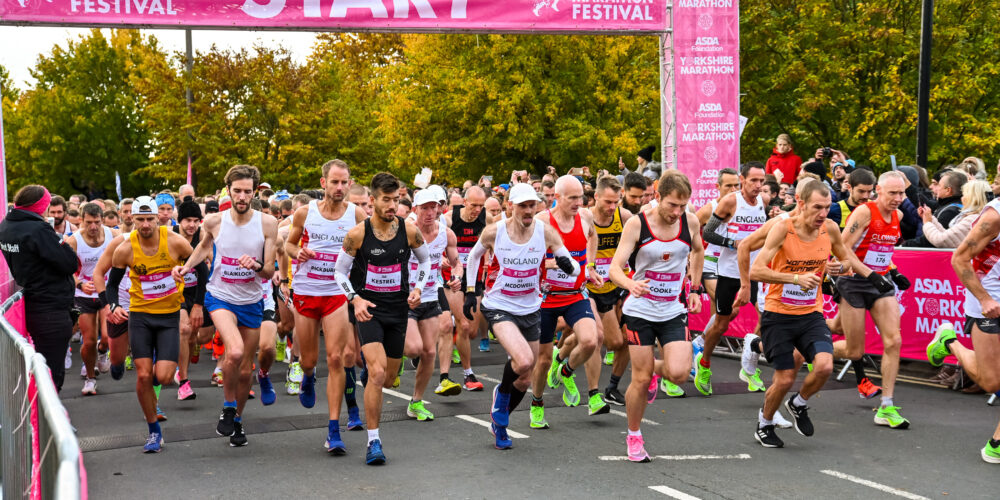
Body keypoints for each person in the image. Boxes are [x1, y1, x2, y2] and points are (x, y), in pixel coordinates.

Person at [750, 180, 892, 448]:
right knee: (784, 379)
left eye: (827, 207)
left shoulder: (829, 228)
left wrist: (839, 268)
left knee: (825, 365)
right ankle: (764, 423)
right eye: (817, 207)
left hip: (810, 314)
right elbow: (756, 270)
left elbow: (845, 258)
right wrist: (794, 278)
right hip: (778, 313)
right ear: (801, 204)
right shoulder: (783, 228)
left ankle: (799, 403)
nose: (823, 214)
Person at [463, 183, 581, 450]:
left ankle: (500, 424)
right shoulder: (495, 231)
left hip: (530, 307)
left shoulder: (545, 232)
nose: (529, 211)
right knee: (525, 360)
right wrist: (471, 291)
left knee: (525, 376)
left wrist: (567, 265)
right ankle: (502, 398)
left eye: (532, 205)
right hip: (499, 305)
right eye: (523, 206)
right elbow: (473, 258)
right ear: (510, 207)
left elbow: (573, 268)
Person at [174, 165, 278, 448]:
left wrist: (255, 265)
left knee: (245, 370)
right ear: (228, 191)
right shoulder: (214, 222)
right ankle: (229, 405)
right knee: (233, 351)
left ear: (254, 191)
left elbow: (269, 272)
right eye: (237, 191)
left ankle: (237, 419)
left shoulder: (267, 224)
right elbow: (203, 248)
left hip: (252, 300)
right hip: (220, 297)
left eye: (247, 191)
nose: (242, 196)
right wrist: (186, 269)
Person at [334, 172, 432, 465]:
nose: (392, 205)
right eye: (386, 200)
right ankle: (373, 442)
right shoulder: (357, 234)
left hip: (399, 310)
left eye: (396, 200)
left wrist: (418, 287)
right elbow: (339, 272)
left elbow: (425, 260)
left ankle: (371, 379)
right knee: (377, 375)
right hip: (369, 310)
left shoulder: (410, 230)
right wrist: (355, 298)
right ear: (373, 201)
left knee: (387, 378)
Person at [609, 171, 705, 462]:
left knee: (679, 374)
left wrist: (695, 288)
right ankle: (634, 435)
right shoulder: (638, 225)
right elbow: (615, 268)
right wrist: (630, 284)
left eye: (683, 205)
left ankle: (654, 369)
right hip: (639, 311)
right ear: (658, 196)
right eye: (673, 205)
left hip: (672, 309)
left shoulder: (689, 222)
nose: (678, 212)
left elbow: (698, 251)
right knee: (639, 378)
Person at [105, 195, 207, 453]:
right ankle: (153, 430)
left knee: (162, 376)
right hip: (140, 315)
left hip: (169, 316)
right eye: (140, 219)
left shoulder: (174, 242)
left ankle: (150, 393)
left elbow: (201, 269)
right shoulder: (125, 249)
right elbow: (112, 284)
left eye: (150, 218)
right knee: (142, 374)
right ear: (132, 219)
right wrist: (114, 305)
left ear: (159, 218)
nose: (146, 224)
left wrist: (197, 304)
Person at [284, 159, 367, 453]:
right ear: (323, 184)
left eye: (344, 182)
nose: (340, 188)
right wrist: (299, 252)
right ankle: (307, 376)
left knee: (336, 359)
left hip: (336, 293)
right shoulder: (305, 213)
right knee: (309, 361)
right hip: (307, 292)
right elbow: (289, 246)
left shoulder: (356, 214)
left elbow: (365, 252)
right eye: (334, 182)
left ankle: (333, 430)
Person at [835, 171, 910, 428]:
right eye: (892, 193)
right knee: (855, 350)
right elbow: (843, 248)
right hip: (854, 283)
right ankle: (808, 348)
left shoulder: (898, 216)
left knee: (894, 340)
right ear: (878, 190)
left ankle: (886, 406)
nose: (898, 198)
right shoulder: (865, 212)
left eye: (901, 193)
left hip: (879, 284)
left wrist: (894, 271)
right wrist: (868, 274)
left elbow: (881, 251)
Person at [532, 175, 608, 429]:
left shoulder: (585, 217)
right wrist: (556, 263)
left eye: (581, 197)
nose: (579, 202)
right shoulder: (542, 222)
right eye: (572, 198)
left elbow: (593, 236)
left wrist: (590, 266)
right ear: (556, 197)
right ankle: (537, 403)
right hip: (547, 298)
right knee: (542, 360)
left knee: (591, 340)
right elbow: (530, 257)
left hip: (575, 295)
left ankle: (565, 370)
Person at [934, 193, 1000, 463]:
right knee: (992, 381)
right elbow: (959, 260)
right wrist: (985, 299)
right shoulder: (994, 217)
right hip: (987, 304)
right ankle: (949, 341)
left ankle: (996, 443)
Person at [696, 161, 768, 395]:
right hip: (729, 271)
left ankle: (750, 364)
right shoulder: (730, 201)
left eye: (762, 181)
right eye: (753, 180)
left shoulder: (762, 203)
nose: (758, 186)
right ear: (743, 179)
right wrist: (734, 243)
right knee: (722, 323)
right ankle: (704, 363)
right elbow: (707, 232)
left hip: (755, 271)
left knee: (766, 316)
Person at [0, 185, 80, 391]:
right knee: (52, 373)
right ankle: (47, 420)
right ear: (40, 206)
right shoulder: (38, 229)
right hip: (50, 306)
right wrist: (59, 241)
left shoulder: (6, 225)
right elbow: (70, 263)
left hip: (35, 302)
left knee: (42, 368)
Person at [403, 189, 463, 420]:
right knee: (413, 349)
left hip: (429, 296)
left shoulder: (446, 234)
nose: (430, 212)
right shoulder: (406, 232)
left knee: (429, 352)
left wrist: (456, 277)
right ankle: (394, 353)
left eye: (433, 207)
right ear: (415, 209)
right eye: (424, 208)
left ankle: (416, 402)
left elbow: (457, 264)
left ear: (439, 208)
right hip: (405, 297)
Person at [587, 176, 634, 406]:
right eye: (607, 202)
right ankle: (593, 394)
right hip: (589, 287)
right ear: (596, 197)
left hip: (616, 285)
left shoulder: (624, 217)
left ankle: (612, 387)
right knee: (596, 338)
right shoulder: (584, 218)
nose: (612, 207)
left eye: (616, 202)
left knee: (623, 340)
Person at [65, 202, 117, 395]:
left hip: (106, 292)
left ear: (102, 220)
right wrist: (79, 284)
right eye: (88, 223)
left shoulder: (113, 236)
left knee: (106, 337)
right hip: (83, 295)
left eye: (96, 222)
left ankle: (102, 353)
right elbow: (66, 270)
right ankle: (90, 379)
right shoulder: (74, 241)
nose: (93, 227)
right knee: (87, 341)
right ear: (80, 221)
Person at [443, 186, 488, 391]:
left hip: (475, 278)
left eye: (481, 205)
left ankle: (449, 330)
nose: (477, 209)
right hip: (452, 277)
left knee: (472, 331)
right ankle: (468, 375)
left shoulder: (487, 220)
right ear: (464, 201)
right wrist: (442, 258)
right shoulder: (450, 219)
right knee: (464, 324)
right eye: (474, 205)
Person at [172, 199, 207, 401]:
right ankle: (184, 381)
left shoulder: (202, 237)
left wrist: (199, 305)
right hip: (177, 292)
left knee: (198, 336)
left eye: (196, 220)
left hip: (197, 290)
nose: (192, 225)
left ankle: (192, 345)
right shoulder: (171, 235)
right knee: (184, 329)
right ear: (179, 221)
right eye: (187, 220)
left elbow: (204, 273)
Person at [920, 180, 990, 249]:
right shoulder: (977, 216)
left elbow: (941, 240)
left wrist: (927, 223)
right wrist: (929, 218)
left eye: (964, 195)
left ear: (972, 198)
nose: (962, 198)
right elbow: (950, 238)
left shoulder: (972, 219)